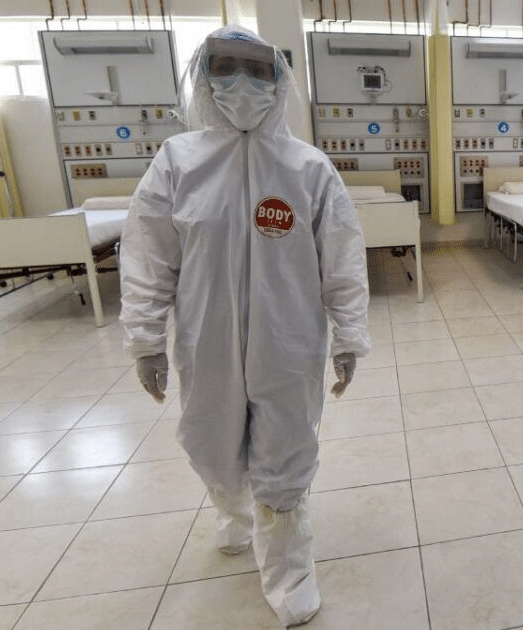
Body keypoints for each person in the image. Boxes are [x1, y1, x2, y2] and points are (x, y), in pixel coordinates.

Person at [119, 25, 370, 627]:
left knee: (285, 451)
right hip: (205, 340)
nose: (242, 83)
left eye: (257, 69)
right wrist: (145, 340)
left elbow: (342, 258)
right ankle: (233, 511)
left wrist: (349, 336)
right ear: (203, 76)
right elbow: (149, 257)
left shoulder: (308, 167)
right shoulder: (177, 162)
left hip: (288, 341)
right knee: (211, 438)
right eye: (226, 67)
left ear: (280, 79)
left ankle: (290, 573)